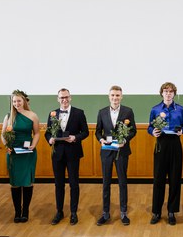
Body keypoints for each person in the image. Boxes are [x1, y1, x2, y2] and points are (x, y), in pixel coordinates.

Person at [45, 88, 89, 226]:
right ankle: (59, 211)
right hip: (57, 154)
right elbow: (47, 132)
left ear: (70, 98)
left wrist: (75, 137)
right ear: (58, 99)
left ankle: (74, 212)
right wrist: (50, 140)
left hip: (73, 152)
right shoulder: (52, 114)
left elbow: (86, 132)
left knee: (74, 183)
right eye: (61, 98)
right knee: (58, 184)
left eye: (66, 97)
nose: (64, 100)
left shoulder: (79, 113)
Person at [95, 86, 136, 226]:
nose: (115, 98)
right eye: (112, 95)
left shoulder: (128, 111)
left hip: (122, 151)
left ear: (121, 96)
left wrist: (124, 140)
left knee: (122, 182)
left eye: (117, 95)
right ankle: (105, 213)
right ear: (109, 96)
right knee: (106, 182)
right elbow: (97, 132)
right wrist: (101, 139)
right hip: (106, 151)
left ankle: (123, 212)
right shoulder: (101, 112)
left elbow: (133, 131)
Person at [148, 82, 183, 225]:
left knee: (175, 179)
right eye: (166, 91)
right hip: (161, 144)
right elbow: (149, 127)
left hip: (175, 145)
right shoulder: (155, 109)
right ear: (162, 93)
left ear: (174, 94)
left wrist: (182, 130)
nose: (168, 93)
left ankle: (171, 211)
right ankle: (156, 212)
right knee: (158, 179)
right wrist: (153, 132)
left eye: (171, 91)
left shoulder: (180, 109)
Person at [1, 90, 40, 223]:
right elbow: (3, 134)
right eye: (14, 101)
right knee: (15, 183)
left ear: (24, 101)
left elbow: (37, 133)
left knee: (27, 182)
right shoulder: (8, 116)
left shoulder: (33, 115)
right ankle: (17, 211)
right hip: (13, 153)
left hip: (28, 153)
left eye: (18, 100)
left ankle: (25, 211)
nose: (16, 103)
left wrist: (33, 145)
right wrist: (7, 146)